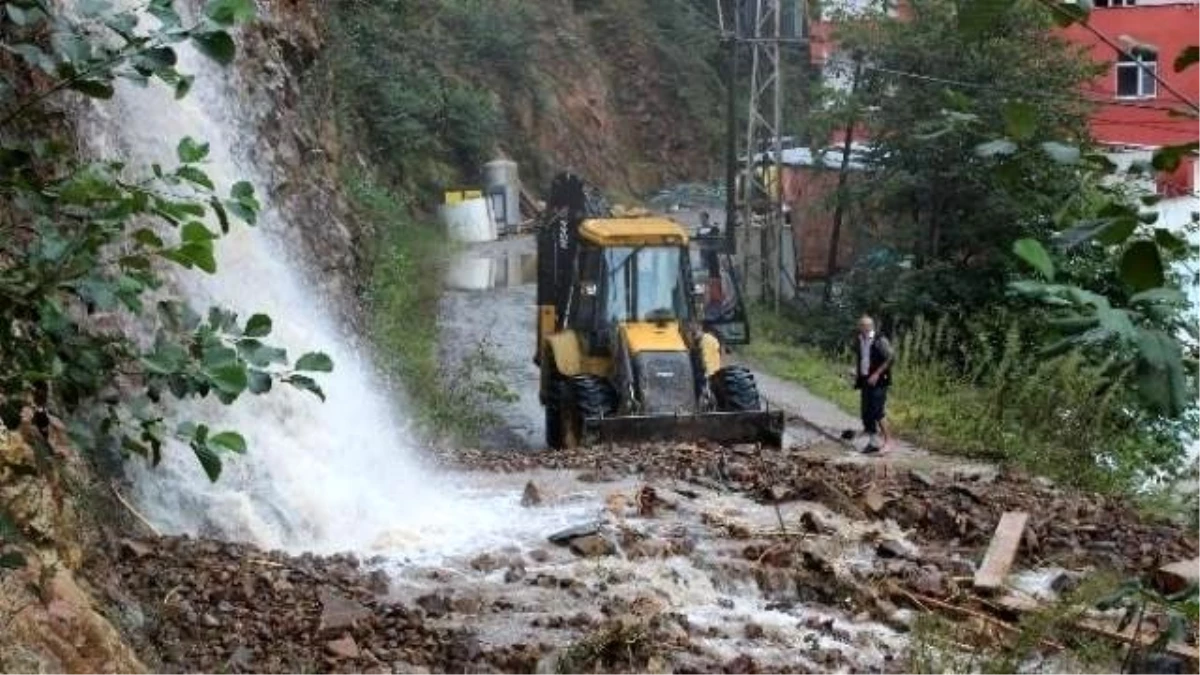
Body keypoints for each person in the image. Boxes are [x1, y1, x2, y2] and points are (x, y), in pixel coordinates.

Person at [853, 315, 893, 454]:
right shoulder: (859, 339)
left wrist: (876, 374)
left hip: (880, 380)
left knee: (877, 411)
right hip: (865, 379)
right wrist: (857, 372)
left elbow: (890, 357)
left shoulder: (879, 339)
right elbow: (863, 357)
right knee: (866, 412)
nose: (862, 328)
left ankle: (888, 442)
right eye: (861, 325)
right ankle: (873, 442)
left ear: (871, 326)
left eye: (864, 325)